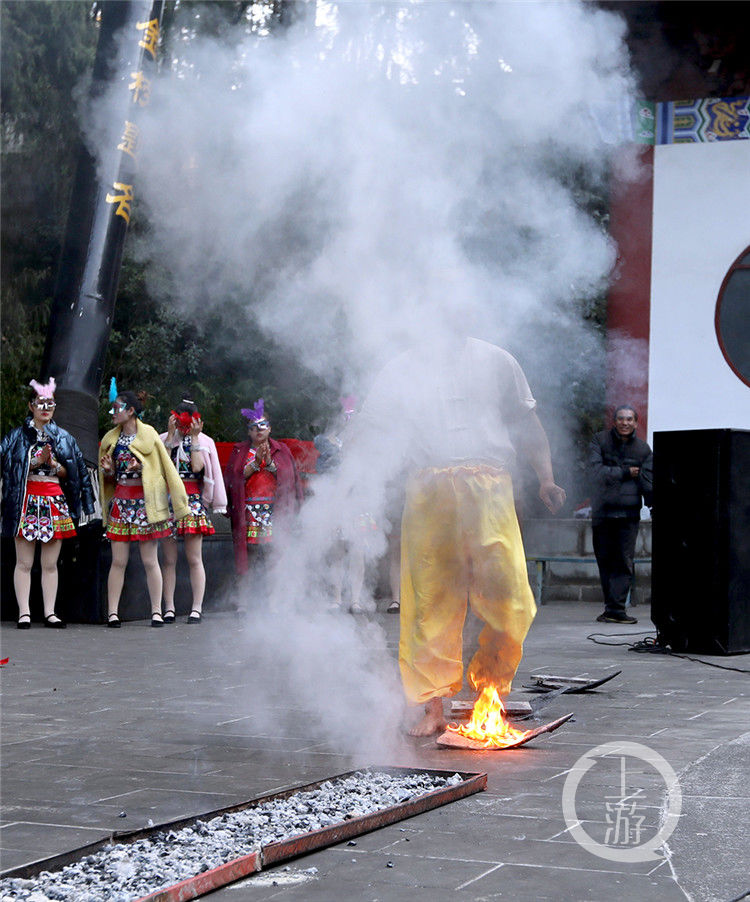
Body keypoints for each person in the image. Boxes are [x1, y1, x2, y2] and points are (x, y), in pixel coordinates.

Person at [355, 337, 566, 736]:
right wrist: (354, 484)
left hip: (489, 486)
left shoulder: (499, 361)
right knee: (430, 599)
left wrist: (546, 478)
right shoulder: (402, 365)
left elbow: (527, 423)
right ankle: (434, 707)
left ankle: (492, 692)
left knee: (511, 595)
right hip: (429, 488)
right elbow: (370, 427)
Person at [1, 378, 95, 628]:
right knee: (23, 562)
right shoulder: (16, 436)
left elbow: (75, 473)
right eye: (40, 403)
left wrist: (53, 464)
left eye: (50, 404)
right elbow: (6, 465)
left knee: (50, 563)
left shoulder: (64, 438)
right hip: (26, 500)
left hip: (54, 501)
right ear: (31, 406)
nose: (46, 408)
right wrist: (33, 463)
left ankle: (50, 612)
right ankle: (24, 613)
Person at [99, 389, 189, 627]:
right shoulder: (111, 438)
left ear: (130, 411)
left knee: (150, 559)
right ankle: (113, 613)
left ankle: (156, 611)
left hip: (145, 504)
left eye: (117, 408)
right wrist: (108, 470)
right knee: (118, 561)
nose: (113, 413)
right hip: (121, 502)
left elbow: (165, 469)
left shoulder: (149, 434)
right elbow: (109, 477)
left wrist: (143, 470)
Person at [159, 399, 227, 624]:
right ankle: (168, 607)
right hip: (168, 500)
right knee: (168, 559)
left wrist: (195, 438)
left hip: (192, 501)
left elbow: (198, 467)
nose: (183, 426)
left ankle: (196, 608)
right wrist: (170, 437)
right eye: (179, 421)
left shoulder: (204, 441)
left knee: (194, 557)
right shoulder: (163, 439)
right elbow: (162, 468)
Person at [589, 404, 653, 625]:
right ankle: (610, 608)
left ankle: (616, 610)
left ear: (636, 423)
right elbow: (595, 473)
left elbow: (647, 482)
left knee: (624, 562)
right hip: (602, 512)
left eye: (629, 419)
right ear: (614, 421)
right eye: (621, 419)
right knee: (604, 561)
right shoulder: (600, 440)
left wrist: (653, 505)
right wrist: (626, 472)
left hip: (627, 514)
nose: (625, 423)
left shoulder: (643, 450)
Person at [224, 399, 303, 576]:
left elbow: (290, 479)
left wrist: (269, 465)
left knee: (274, 554)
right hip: (248, 510)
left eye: (262, 425)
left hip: (275, 509)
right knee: (248, 555)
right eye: (254, 426)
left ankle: (274, 600)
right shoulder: (240, 451)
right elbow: (232, 479)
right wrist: (254, 465)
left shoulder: (281, 450)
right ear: (249, 431)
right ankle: (246, 599)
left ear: (270, 428)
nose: (258, 429)